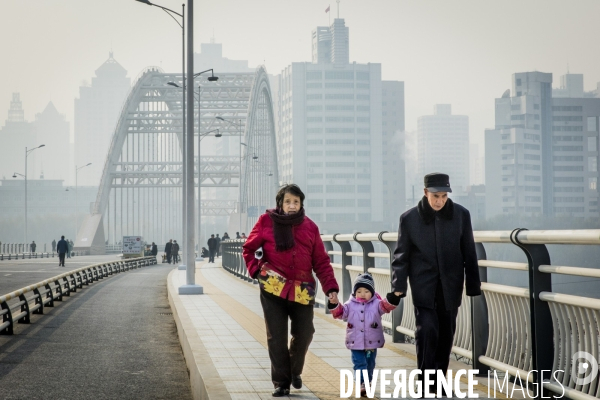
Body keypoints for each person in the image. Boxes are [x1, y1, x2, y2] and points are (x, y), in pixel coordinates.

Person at [242, 184, 339, 397]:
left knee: (305, 333)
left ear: (301, 204)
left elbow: (321, 261)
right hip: (273, 287)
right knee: (276, 336)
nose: (292, 206)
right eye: (288, 202)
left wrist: (330, 287)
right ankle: (281, 383)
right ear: (280, 204)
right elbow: (248, 248)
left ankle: (294, 371)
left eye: (296, 202)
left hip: (302, 289)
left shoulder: (310, 227)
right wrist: (257, 271)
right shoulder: (265, 222)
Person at [391, 173, 481, 397]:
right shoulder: (409, 219)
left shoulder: (461, 215)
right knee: (427, 331)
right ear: (425, 193)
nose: (440, 201)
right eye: (435, 196)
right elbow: (401, 256)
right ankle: (424, 382)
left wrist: (473, 284)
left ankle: (438, 381)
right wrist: (398, 286)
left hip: (451, 285)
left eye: (443, 196)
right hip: (424, 285)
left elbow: (469, 251)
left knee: (446, 334)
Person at [329, 273, 401, 397]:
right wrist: (334, 304)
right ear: (354, 292)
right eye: (359, 291)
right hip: (355, 341)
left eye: (367, 291)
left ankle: (368, 382)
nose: (362, 294)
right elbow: (340, 313)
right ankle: (362, 383)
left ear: (372, 292)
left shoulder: (377, 304)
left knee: (370, 364)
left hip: (371, 342)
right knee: (359, 363)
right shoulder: (350, 304)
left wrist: (394, 296)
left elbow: (386, 306)